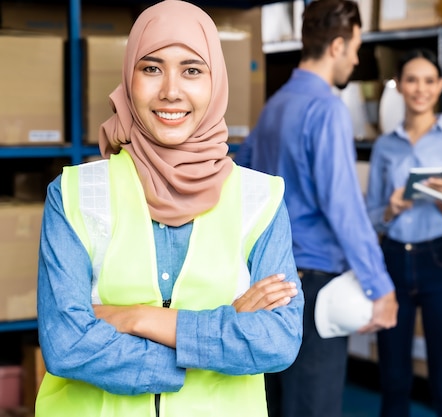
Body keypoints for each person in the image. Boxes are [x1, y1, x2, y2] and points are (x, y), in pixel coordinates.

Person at [35, 2, 304, 416]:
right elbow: (66, 345)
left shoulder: (260, 198)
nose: (171, 91)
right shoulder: (74, 194)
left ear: (216, 81)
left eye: (192, 70)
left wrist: (138, 318)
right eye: (151, 68)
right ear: (129, 78)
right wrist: (216, 337)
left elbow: (277, 341)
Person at [235, 1, 398, 416]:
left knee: (273, 403)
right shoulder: (326, 109)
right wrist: (380, 286)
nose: (358, 59)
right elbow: (343, 207)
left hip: (266, 282)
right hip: (312, 288)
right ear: (338, 46)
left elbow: (240, 185)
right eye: (356, 47)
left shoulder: (272, 109)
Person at [365, 48, 442, 417]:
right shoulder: (385, 145)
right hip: (393, 258)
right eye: (412, 80)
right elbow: (370, 216)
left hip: (440, 257)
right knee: (394, 379)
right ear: (399, 86)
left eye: (429, 81)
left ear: (440, 85)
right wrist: (391, 208)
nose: (420, 89)